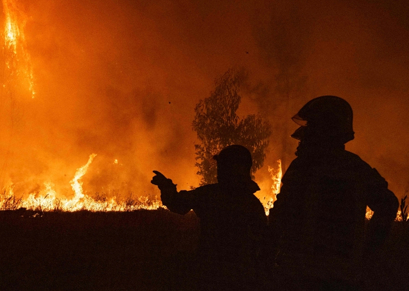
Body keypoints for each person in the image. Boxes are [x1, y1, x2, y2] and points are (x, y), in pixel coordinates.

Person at [267, 96, 399, 291]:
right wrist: (368, 252)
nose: (303, 139)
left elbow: (281, 215)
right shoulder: (356, 168)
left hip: (300, 274)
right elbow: (388, 204)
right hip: (342, 274)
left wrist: (266, 253)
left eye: (311, 127)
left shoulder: (303, 167)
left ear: (321, 131)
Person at [152, 145, 267, 290]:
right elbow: (264, 244)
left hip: (211, 273)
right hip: (240, 277)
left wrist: (166, 187)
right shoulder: (252, 204)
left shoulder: (211, 195)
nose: (219, 172)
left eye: (222, 167)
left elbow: (178, 204)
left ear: (234, 169)